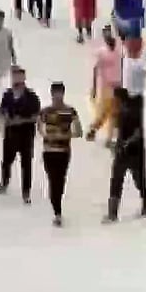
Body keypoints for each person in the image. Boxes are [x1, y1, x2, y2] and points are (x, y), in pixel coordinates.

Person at [104, 88, 146, 223]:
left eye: (115, 99)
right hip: (129, 152)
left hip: (131, 152)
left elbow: (137, 132)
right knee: (127, 180)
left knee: (126, 180)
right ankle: (143, 206)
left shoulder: (129, 113)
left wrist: (124, 144)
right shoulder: (124, 111)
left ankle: (114, 213)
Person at [38, 82, 82, 226]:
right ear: (51, 94)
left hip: (63, 151)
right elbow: (39, 127)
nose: (57, 96)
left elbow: (79, 131)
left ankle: (57, 206)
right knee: (53, 180)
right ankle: (57, 212)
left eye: (59, 93)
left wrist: (65, 136)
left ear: (63, 94)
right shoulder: (45, 111)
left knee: (60, 180)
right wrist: (46, 135)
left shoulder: (70, 111)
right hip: (49, 151)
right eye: (55, 93)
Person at [0, 66, 39, 204]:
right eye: (14, 76)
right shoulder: (7, 95)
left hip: (26, 135)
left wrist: (21, 120)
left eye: (19, 76)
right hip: (10, 133)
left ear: (24, 78)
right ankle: (4, 183)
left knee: (26, 164)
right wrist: (2, 117)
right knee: (6, 161)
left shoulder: (32, 97)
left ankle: (26, 192)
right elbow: (2, 110)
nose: (17, 79)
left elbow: (36, 116)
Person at [87, 25, 122, 147]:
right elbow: (95, 70)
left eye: (109, 35)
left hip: (118, 84)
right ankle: (100, 132)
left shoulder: (120, 49)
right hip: (106, 86)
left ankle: (106, 135)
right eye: (106, 36)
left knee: (114, 112)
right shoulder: (101, 52)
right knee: (107, 111)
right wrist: (94, 87)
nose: (108, 38)